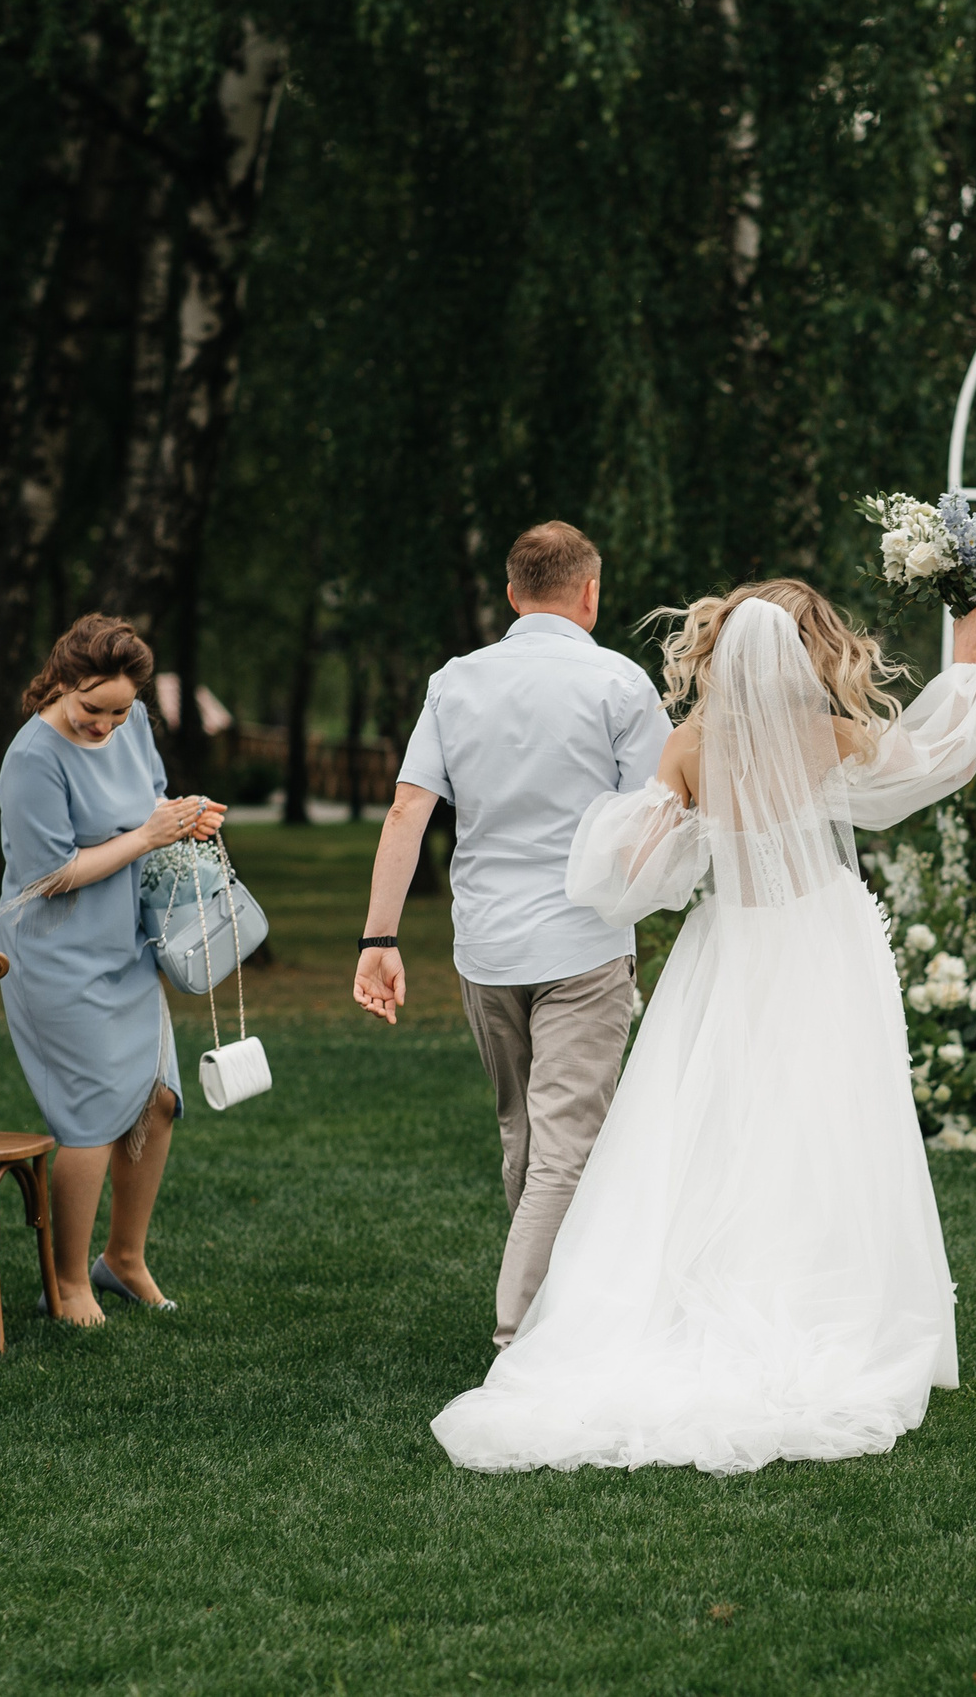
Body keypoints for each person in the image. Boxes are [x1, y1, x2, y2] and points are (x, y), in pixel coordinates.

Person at [428, 585, 976, 1474]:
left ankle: (684, 1299)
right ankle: (825, 1298)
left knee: (712, 1124)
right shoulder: (834, 735)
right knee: (828, 1120)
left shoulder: (690, 744)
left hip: (726, 945)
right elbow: (936, 761)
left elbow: (636, 867)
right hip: (822, 942)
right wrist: (966, 663)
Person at [355, 522, 673, 1351]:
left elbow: (407, 810)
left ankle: (556, 1303)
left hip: (487, 945)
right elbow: (655, 817)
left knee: (524, 1135)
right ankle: (521, 1335)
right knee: (565, 1146)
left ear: (511, 593)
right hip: (584, 941)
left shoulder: (456, 681)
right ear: (591, 592)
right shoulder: (620, 682)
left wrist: (376, 940)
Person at [0, 615, 225, 1327]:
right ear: (61, 681)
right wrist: (146, 834)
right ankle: (67, 1284)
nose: (105, 724)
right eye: (91, 708)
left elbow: (147, 805)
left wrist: (182, 817)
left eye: (119, 711)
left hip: (129, 942)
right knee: (92, 1115)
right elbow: (51, 874)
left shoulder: (135, 724)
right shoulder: (32, 757)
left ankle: (122, 1258)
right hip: (58, 953)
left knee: (157, 1100)